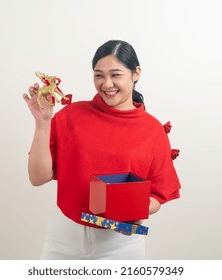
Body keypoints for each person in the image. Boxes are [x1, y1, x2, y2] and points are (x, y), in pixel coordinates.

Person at [22, 40, 181, 260]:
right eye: (99, 75)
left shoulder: (152, 130)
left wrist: (136, 207)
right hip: (64, 236)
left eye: (115, 75)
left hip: (121, 244)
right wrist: (42, 122)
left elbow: (157, 196)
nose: (107, 84)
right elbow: (37, 178)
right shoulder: (71, 115)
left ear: (136, 74)